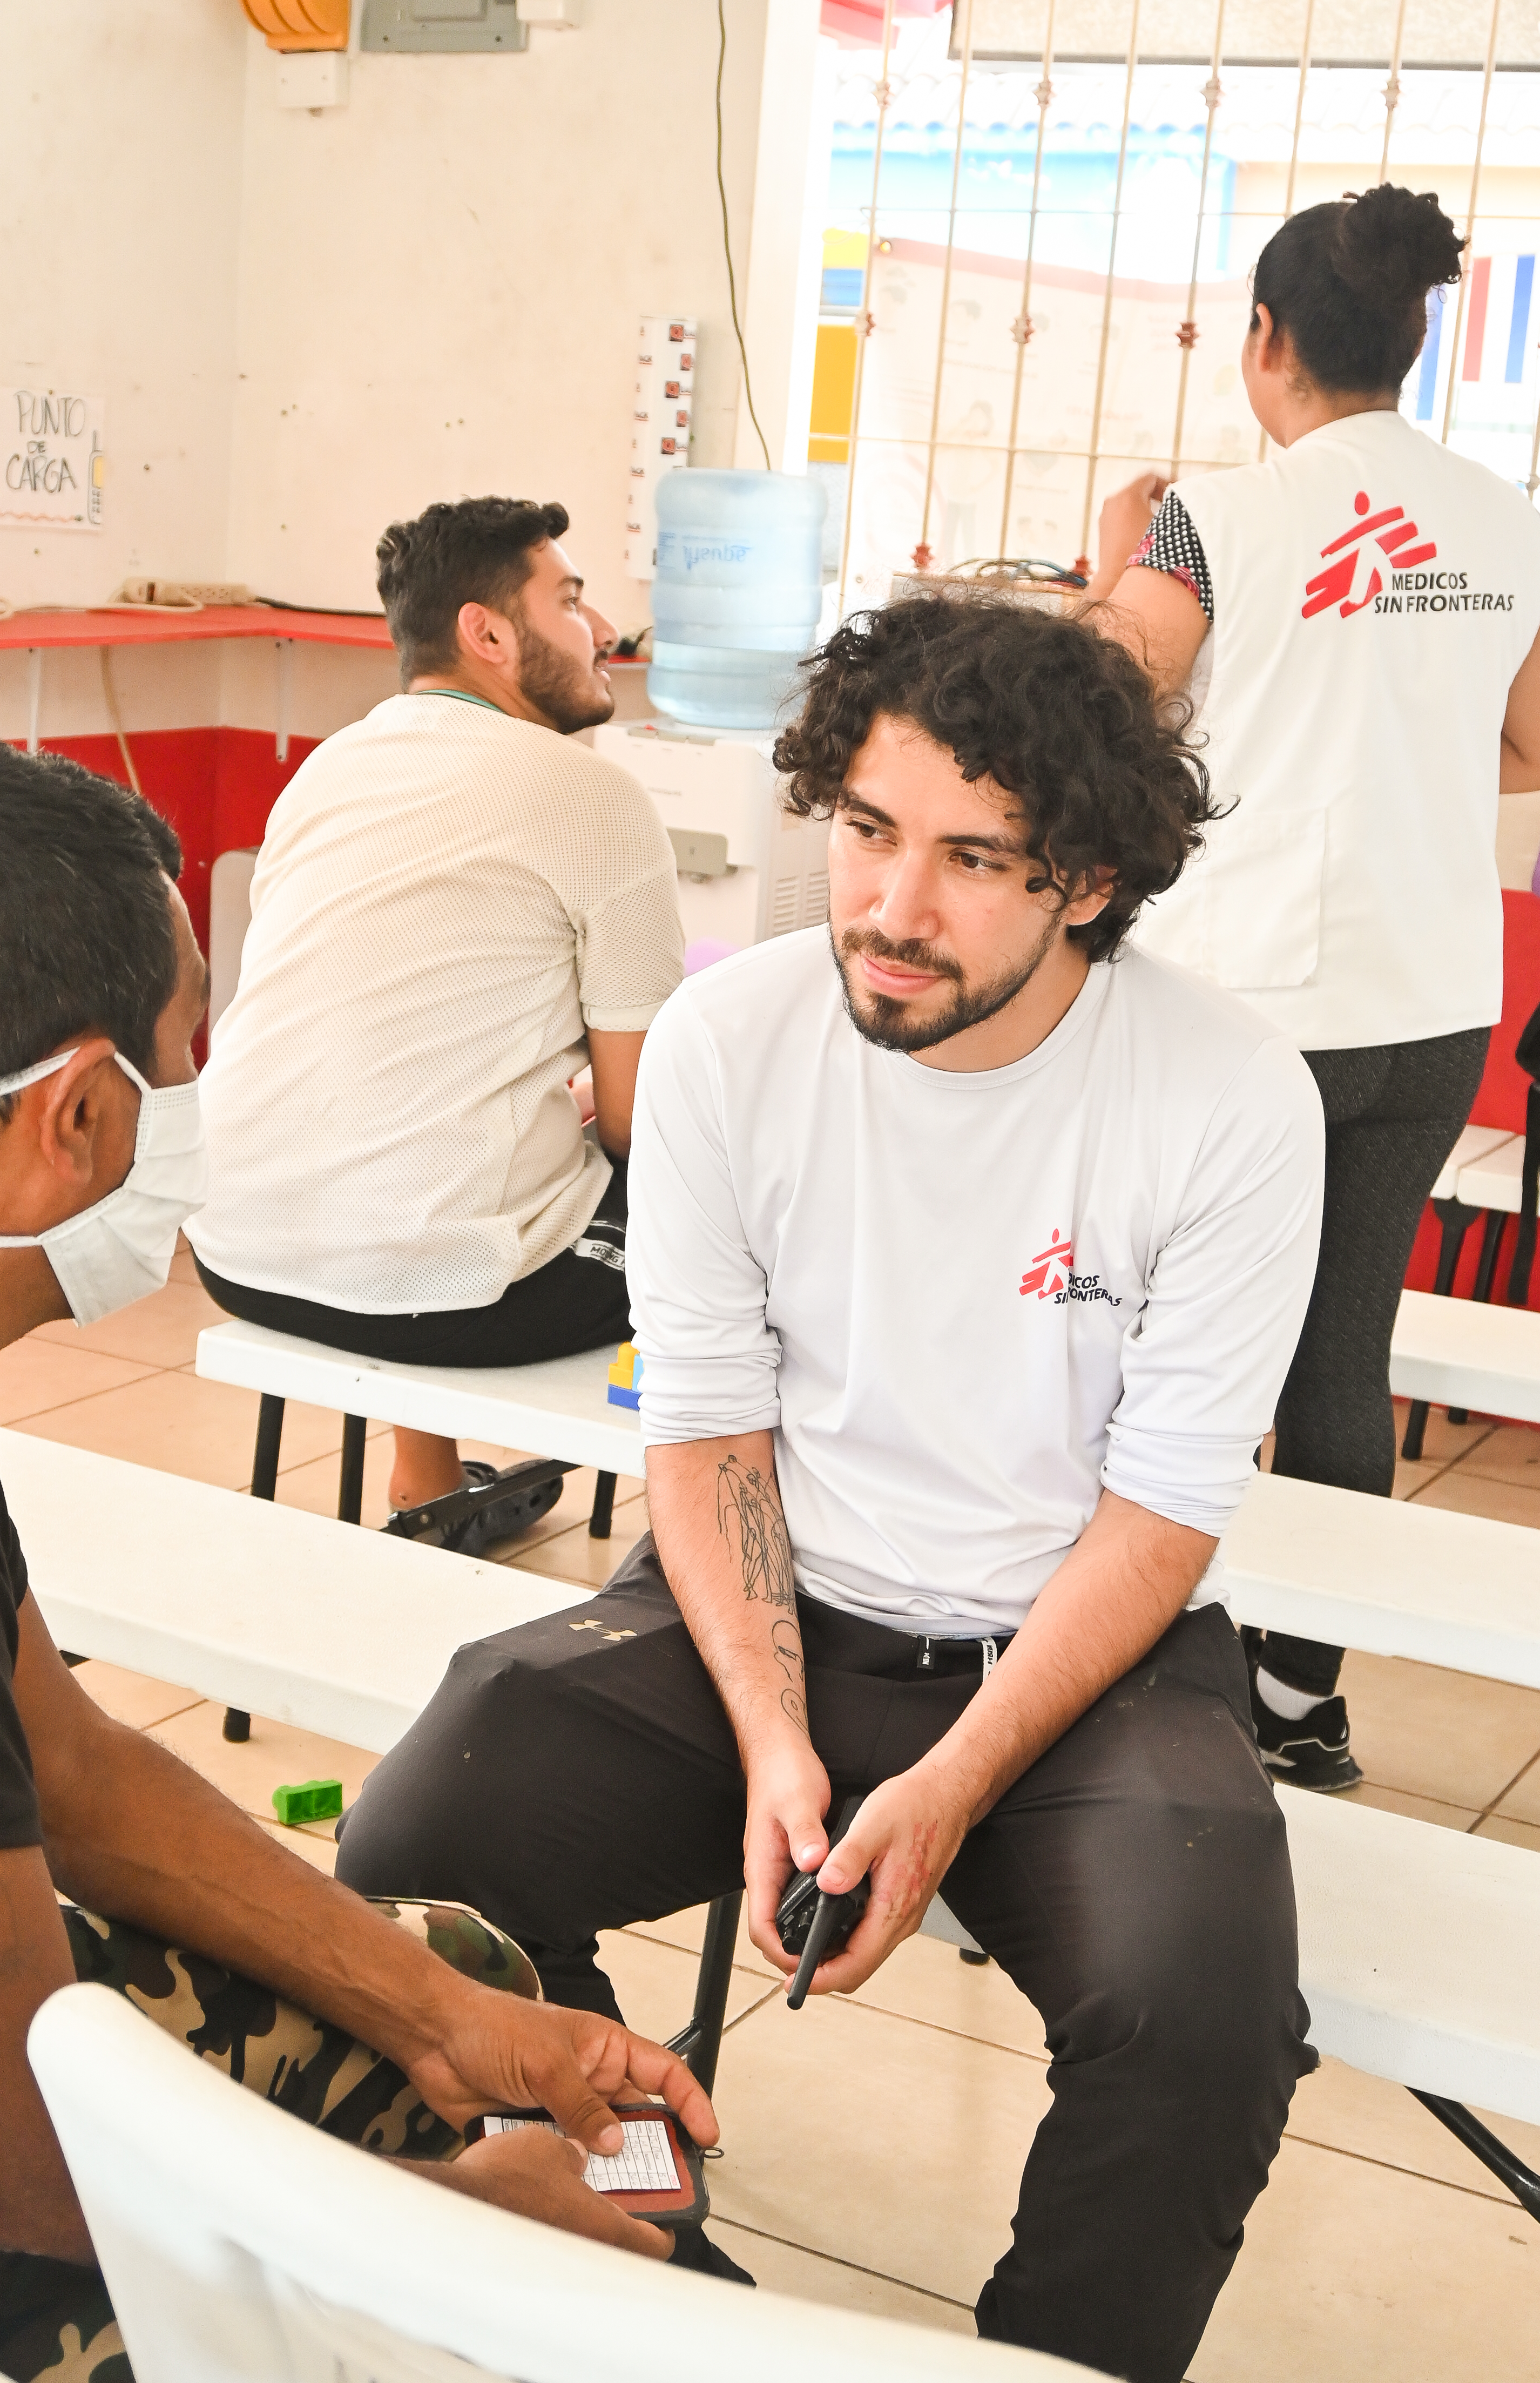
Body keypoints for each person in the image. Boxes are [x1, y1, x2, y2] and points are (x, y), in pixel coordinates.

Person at [0, 733, 716, 2383]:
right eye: (191, 1042)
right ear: (76, 1112)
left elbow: (62, 1760)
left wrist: (445, 2018)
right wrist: (444, 2228)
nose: (212, 1086)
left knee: (458, 1965)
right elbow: (30, 2189)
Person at [339, 595, 1329, 2383]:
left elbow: (1164, 1512)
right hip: (766, 1596)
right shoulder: (731, 1041)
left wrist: (944, 1789)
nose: (889, 907)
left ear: (1090, 881)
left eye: (974, 858)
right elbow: (710, 1429)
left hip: (1077, 1650)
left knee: (1201, 2010)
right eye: (867, 831)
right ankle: (649, 2252)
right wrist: (777, 1733)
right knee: (428, 1831)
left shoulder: (1229, 1096)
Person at [1087, 184, 1540, 1791]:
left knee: (1144, 1339)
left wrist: (1110, 562)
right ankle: (1299, 1700)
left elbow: (1091, 711)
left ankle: (1109, 1663)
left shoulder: (1212, 519)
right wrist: (1409, 752)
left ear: (1264, 336)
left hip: (1240, 1012)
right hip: (1430, 1006)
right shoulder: (1507, 519)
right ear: (1412, 339)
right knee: (1337, 1351)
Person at [192, 497, 682, 1551]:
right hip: (460, 1304)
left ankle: (430, 1484)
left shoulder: (326, 769)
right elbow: (640, 1124)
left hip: (239, 1253)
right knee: (730, 1183)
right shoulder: (591, 795)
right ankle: (715, 1549)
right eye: (571, 601)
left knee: (441, 1146)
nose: (601, 631)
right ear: (487, 632)